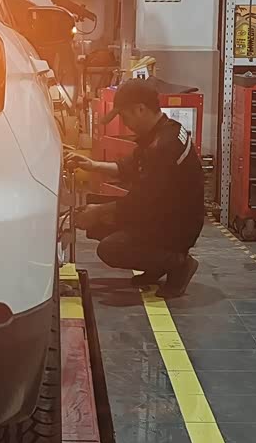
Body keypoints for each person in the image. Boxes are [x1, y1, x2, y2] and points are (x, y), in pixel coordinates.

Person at [66, 78, 204, 298]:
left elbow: (141, 201)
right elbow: (128, 167)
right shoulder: (163, 131)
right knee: (98, 220)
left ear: (140, 109)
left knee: (110, 248)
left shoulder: (163, 146)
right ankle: (157, 264)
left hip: (177, 226)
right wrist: (92, 165)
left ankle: (178, 263)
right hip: (166, 213)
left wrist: (99, 211)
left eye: (124, 115)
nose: (124, 122)